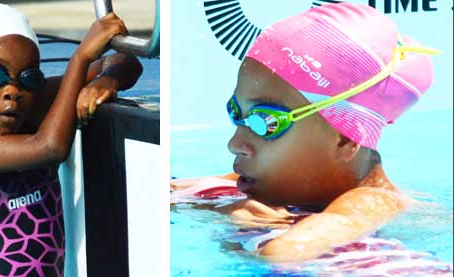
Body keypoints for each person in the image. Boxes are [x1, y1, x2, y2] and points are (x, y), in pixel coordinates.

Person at [171, 2, 440, 263]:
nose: (235, 143)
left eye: (266, 122)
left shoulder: (372, 202)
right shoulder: (270, 182)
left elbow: (285, 254)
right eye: (236, 113)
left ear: (345, 139)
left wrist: (229, 214)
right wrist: (213, 206)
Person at [0, 3, 142, 276]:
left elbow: (127, 63)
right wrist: (80, 59)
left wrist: (106, 81)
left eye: (29, 78)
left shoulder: (35, 109)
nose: (12, 91)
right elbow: (50, 148)